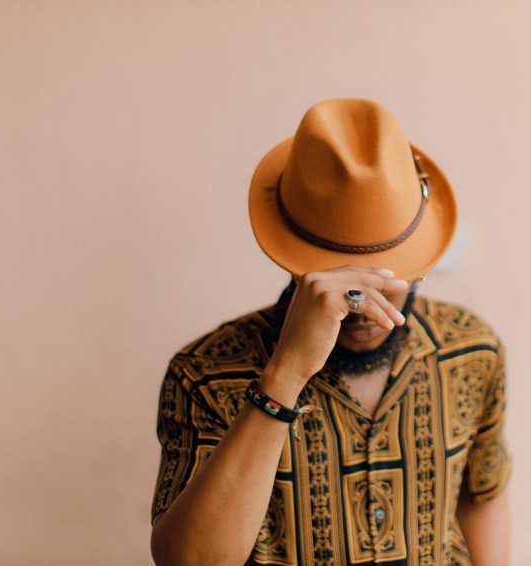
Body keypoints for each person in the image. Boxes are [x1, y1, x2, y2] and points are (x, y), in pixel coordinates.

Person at [150, 99, 511, 566]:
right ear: (294, 262)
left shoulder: (471, 350)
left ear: (419, 262)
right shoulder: (204, 375)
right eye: (340, 280)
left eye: (387, 278)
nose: (364, 307)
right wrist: (286, 373)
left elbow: (483, 495)